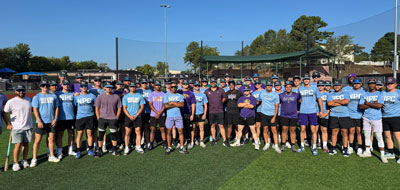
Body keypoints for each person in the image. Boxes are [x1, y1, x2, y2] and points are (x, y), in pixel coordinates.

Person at [31, 80, 60, 167]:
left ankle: (51, 155)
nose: (45, 87)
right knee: (37, 140)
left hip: (51, 121)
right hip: (41, 122)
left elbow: (57, 108)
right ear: (40, 87)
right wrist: (39, 120)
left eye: (47, 85)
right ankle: (34, 159)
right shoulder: (37, 97)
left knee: (51, 139)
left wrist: (55, 119)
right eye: (43, 86)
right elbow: (35, 109)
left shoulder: (53, 96)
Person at [358, 78, 388, 163]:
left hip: (377, 118)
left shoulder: (380, 94)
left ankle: (382, 154)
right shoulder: (364, 94)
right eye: (370, 83)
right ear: (368, 84)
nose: (371, 85)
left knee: (379, 136)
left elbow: (379, 106)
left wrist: (367, 104)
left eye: (373, 83)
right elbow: (361, 106)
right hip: (366, 117)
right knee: (367, 135)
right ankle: (367, 151)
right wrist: (372, 104)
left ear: (375, 84)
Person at [4, 85, 32, 171]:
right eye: (19, 91)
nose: (21, 92)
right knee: (18, 145)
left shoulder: (29, 100)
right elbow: (4, 113)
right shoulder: (11, 102)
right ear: (15, 91)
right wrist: (8, 124)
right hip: (16, 127)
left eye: (22, 90)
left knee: (26, 144)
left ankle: (24, 161)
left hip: (28, 126)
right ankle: (15, 163)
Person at [95, 82, 122, 157]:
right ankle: (100, 150)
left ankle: (114, 149)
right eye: (107, 87)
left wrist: (117, 116)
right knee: (101, 135)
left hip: (112, 118)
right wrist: (98, 116)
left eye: (110, 87)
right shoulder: (100, 97)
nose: (109, 88)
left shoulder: (116, 97)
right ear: (104, 88)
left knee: (114, 135)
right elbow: (96, 107)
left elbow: (119, 107)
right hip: (102, 118)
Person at [298, 73, 323, 153]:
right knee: (302, 129)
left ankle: (314, 146)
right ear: (303, 81)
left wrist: (321, 110)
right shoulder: (300, 88)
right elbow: (299, 99)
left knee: (313, 130)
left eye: (307, 79)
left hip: (312, 111)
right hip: (303, 111)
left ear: (309, 80)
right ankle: (302, 146)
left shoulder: (315, 88)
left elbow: (319, 99)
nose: (306, 81)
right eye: (305, 79)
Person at [327, 80, 351, 157]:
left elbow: (346, 101)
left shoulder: (345, 93)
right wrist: (341, 102)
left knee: (344, 132)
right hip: (334, 115)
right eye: (335, 85)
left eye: (338, 85)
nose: (336, 87)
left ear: (341, 86)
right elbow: (329, 103)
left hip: (344, 115)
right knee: (334, 132)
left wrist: (336, 101)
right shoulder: (331, 94)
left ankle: (345, 148)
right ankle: (333, 148)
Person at [231, 85, 259, 150]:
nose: (246, 92)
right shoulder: (241, 98)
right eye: (245, 91)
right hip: (242, 116)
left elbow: (252, 106)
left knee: (253, 130)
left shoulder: (253, 98)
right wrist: (246, 104)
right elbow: (238, 105)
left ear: (249, 91)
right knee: (240, 130)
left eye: (247, 90)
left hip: (250, 116)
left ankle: (256, 143)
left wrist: (243, 105)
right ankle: (238, 142)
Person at [74, 81, 97, 159]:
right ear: (80, 87)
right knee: (79, 134)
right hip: (80, 117)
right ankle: (78, 150)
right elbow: (75, 106)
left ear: (87, 87)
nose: (84, 88)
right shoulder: (77, 96)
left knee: (90, 134)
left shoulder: (92, 96)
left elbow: (95, 106)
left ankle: (90, 149)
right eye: (82, 86)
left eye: (85, 86)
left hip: (90, 117)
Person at [164, 82, 187, 154]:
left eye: (175, 87)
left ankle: (182, 147)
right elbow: (166, 106)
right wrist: (177, 104)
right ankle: (169, 147)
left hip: (178, 115)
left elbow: (182, 105)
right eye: (172, 87)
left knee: (180, 131)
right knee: (169, 131)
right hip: (169, 116)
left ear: (177, 88)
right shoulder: (166, 95)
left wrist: (173, 103)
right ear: (170, 87)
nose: (173, 88)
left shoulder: (179, 95)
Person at [55, 79, 76, 159]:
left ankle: (70, 150)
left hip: (71, 117)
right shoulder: (57, 94)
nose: (66, 86)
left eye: (68, 84)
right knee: (60, 135)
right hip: (61, 118)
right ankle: (59, 151)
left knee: (71, 134)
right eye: (65, 84)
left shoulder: (73, 94)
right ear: (62, 85)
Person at [205, 78, 229, 147]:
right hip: (211, 111)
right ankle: (214, 139)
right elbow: (204, 100)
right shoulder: (207, 91)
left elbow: (225, 97)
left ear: (216, 82)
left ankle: (225, 140)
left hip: (220, 111)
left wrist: (222, 101)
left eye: (214, 82)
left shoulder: (221, 90)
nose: (213, 83)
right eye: (212, 82)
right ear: (210, 83)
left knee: (221, 125)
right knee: (212, 125)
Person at [122, 83, 145, 155]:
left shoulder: (139, 96)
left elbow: (142, 106)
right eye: (131, 87)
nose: (132, 88)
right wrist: (129, 116)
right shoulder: (126, 96)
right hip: (128, 117)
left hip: (138, 117)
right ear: (129, 88)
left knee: (138, 131)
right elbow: (124, 108)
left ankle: (138, 146)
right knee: (127, 132)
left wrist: (136, 115)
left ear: (136, 87)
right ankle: (126, 147)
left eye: (134, 87)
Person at [381, 77, 400, 163]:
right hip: (385, 117)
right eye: (387, 84)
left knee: (398, 137)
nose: (389, 85)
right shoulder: (383, 93)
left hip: (396, 117)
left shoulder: (398, 93)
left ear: (395, 84)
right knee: (388, 135)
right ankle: (391, 152)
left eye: (391, 83)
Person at [258, 81, 280, 153]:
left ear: (272, 86)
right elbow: (258, 101)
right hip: (264, 114)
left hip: (272, 114)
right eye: (268, 85)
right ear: (266, 86)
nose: (269, 86)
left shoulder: (275, 95)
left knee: (274, 130)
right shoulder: (262, 93)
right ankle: (267, 143)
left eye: (270, 85)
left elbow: (277, 107)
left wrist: (274, 117)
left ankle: (276, 145)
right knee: (265, 129)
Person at [279, 81, 301, 152]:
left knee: (293, 130)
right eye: (287, 87)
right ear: (285, 88)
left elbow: (301, 101)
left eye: (289, 87)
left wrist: (299, 109)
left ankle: (293, 145)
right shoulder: (281, 95)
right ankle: (283, 144)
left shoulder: (296, 95)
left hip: (293, 115)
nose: (288, 88)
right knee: (284, 130)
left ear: (292, 87)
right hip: (284, 115)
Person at [346, 78, 365, 155]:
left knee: (359, 132)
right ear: (352, 84)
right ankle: (350, 146)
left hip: (360, 115)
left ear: (361, 84)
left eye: (358, 83)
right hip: (350, 114)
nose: (356, 85)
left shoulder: (364, 92)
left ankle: (360, 147)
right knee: (351, 131)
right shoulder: (348, 92)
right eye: (355, 83)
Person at [178, 80, 196, 149]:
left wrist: (192, 114)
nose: (185, 85)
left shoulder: (190, 93)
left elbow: (193, 104)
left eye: (186, 84)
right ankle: (181, 141)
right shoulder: (178, 92)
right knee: (180, 128)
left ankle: (188, 141)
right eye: (184, 84)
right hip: (179, 113)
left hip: (188, 112)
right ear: (181, 85)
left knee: (188, 128)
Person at [149, 80, 167, 149]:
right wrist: (156, 112)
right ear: (154, 86)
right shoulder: (152, 94)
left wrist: (160, 112)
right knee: (153, 129)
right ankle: (151, 143)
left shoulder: (163, 94)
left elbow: (164, 104)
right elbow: (150, 104)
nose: (157, 86)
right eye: (156, 85)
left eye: (159, 85)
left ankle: (164, 142)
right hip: (153, 114)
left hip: (162, 114)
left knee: (162, 129)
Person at [138, 78, 153, 150]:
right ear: (140, 84)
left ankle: (147, 142)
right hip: (140, 112)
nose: (144, 84)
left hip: (148, 112)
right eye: (143, 83)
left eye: (145, 83)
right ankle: (139, 142)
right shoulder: (138, 91)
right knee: (139, 128)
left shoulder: (150, 91)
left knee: (147, 128)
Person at [193, 81, 208, 148]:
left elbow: (205, 105)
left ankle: (201, 141)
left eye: (198, 86)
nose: (197, 87)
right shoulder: (192, 94)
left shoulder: (203, 95)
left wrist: (205, 114)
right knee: (194, 128)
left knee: (201, 128)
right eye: (195, 86)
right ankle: (195, 139)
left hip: (201, 113)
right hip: (193, 113)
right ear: (194, 86)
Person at [317, 80, 330, 153]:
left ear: (324, 86)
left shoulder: (327, 94)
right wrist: (316, 112)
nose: (320, 87)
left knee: (324, 130)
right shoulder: (315, 94)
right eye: (319, 85)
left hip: (325, 114)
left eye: (322, 85)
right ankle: (318, 142)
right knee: (316, 130)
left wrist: (326, 114)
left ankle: (325, 145)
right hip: (316, 114)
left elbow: (329, 106)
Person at [252, 80, 264, 144]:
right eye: (256, 84)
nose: (257, 85)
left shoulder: (264, 91)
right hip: (257, 111)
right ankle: (258, 138)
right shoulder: (254, 93)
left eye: (258, 83)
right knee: (258, 125)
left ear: (261, 84)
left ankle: (268, 138)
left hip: (264, 111)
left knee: (265, 126)